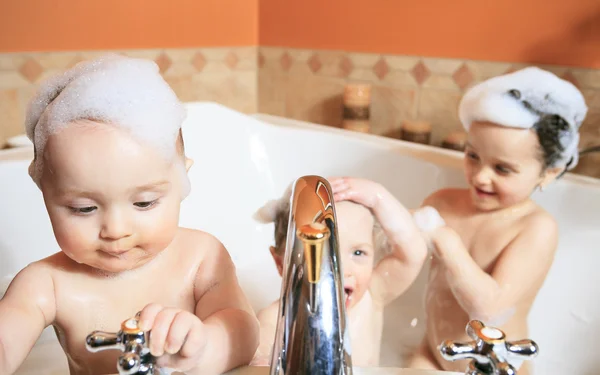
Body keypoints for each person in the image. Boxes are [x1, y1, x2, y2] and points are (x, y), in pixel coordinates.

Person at [0, 55, 259, 375]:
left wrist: (202, 348)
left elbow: (243, 332)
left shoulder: (201, 258)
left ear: (182, 180)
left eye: (144, 203)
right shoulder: (45, 284)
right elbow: (6, 341)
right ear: (44, 191)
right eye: (84, 209)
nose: (116, 230)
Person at [402, 66, 588, 374]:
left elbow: (491, 309)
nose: (480, 176)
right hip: (433, 355)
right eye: (472, 156)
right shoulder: (442, 203)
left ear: (548, 173)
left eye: (502, 169)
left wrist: (444, 239)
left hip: (497, 367)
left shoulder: (535, 228)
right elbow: (398, 256)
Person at [250, 178, 432, 366]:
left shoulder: (372, 295)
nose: (342, 269)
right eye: (322, 253)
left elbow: (414, 254)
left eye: (358, 252)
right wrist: (262, 359)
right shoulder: (276, 317)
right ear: (280, 263)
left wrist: (378, 197)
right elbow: (259, 354)